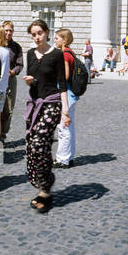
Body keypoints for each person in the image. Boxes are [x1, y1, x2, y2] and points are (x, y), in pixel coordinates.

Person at [23, 19, 65, 213]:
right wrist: (30, 81)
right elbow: (32, 80)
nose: (37, 37)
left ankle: (45, 190)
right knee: (33, 147)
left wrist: (65, 111)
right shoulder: (30, 53)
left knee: (39, 143)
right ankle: (44, 184)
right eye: (33, 34)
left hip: (52, 104)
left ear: (47, 32)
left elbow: (62, 84)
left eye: (39, 33)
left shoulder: (57, 54)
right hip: (34, 105)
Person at [52, 29, 81, 169]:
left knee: (63, 127)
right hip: (72, 95)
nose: (54, 40)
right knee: (70, 127)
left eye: (57, 38)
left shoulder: (64, 54)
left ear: (64, 40)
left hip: (66, 93)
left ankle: (62, 159)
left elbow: (65, 76)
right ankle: (69, 156)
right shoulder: (70, 52)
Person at [0, 21, 24, 142]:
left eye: (10, 30)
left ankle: (2, 136)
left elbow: (20, 64)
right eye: (6, 30)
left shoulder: (16, 47)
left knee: (8, 109)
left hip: (10, 80)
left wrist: (13, 72)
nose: (8, 33)